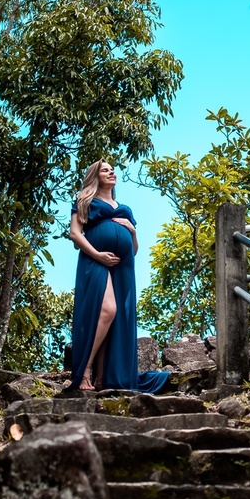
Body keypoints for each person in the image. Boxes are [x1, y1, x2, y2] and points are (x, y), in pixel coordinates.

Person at [68, 159, 169, 393]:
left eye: (112, 170)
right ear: (96, 176)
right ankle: (85, 371)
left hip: (122, 267)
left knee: (115, 319)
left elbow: (133, 250)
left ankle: (103, 379)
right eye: (105, 170)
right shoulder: (85, 201)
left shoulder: (125, 209)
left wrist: (132, 232)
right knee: (107, 310)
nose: (111, 173)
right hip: (95, 259)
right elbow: (75, 235)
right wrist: (97, 255)